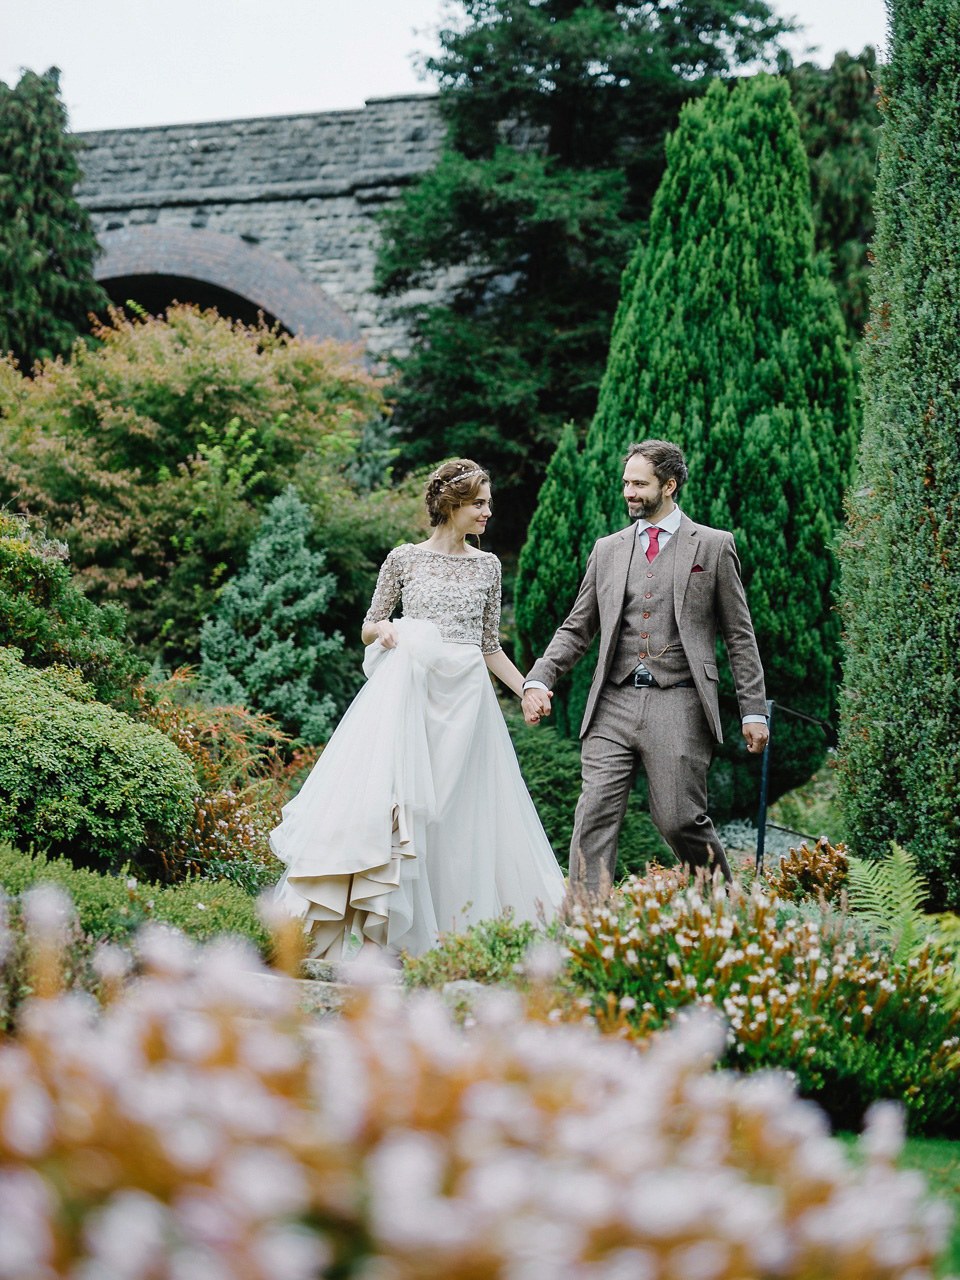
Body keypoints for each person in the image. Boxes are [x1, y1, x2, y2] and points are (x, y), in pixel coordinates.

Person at [271, 458, 566, 958]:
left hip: (466, 707)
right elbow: (369, 624)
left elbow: (489, 645)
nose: (487, 513)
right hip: (407, 702)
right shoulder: (404, 559)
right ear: (450, 505)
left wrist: (528, 688)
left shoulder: (489, 566)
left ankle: (449, 940)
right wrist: (385, 631)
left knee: (456, 818)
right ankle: (379, 939)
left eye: (488, 504)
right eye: (479, 504)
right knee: (400, 809)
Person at [522, 439, 769, 893]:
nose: (629, 492)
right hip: (612, 702)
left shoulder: (713, 546)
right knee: (593, 815)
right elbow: (578, 627)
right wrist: (540, 676)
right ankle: (584, 931)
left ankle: (724, 907)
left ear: (669, 486)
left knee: (678, 818)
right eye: (626, 483)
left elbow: (739, 633)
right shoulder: (608, 550)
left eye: (639, 483)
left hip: (679, 699)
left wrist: (753, 709)